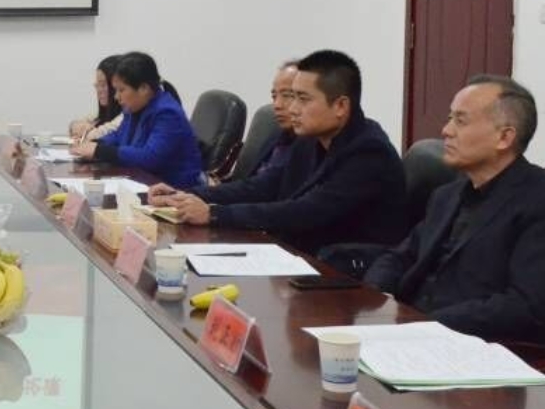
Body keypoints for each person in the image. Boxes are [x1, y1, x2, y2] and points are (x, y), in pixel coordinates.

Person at [364, 76, 545, 342]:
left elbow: (527, 307)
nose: (446, 130)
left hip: (473, 343)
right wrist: (375, 293)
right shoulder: (447, 195)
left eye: (460, 121)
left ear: (504, 137)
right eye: (450, 118)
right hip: (408, 330)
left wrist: (424, 325)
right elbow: (400, 256)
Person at [150, 50, 405, 259]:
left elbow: (306, 211)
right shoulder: (310, 140)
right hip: (301, 255)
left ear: (340, 106)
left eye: (302, 99)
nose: (292, 109)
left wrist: (214, 214)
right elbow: (262, 187)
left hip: (348, 276)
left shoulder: (369, 153)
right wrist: (184, 195)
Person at [69, 52, 202, 188]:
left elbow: (150, 158)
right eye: (116, 90)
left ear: (144, 88)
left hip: (175, 191)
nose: (116, 97)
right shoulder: (134, 108)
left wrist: (99, 151)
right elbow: (118, 137)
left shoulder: (167, 113)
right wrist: (94, 144)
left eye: (121, 90)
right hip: (143, 183)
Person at [242, 59, 300, 179]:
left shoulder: (313, 148)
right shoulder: (277, 135)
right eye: (274, 96)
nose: (277, 105)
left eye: (287, 95)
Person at [67, 54, 124, 142]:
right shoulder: (103, 113)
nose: (98, 90)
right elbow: (76, 125)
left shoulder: (125, 116)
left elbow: (97, 135)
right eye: (97, 85)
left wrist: (86, 132)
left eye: (103, 85)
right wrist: (77, 127)